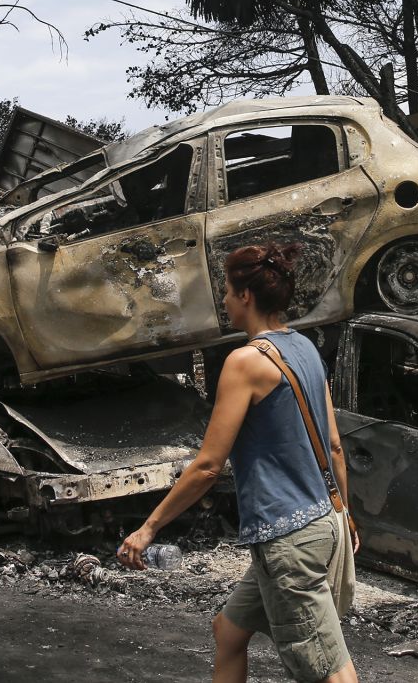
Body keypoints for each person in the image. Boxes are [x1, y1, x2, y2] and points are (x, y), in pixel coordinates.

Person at [117, 243, 359, 683]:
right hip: (321, 521)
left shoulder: (245, 363)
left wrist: (149, 527)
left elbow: (209, 466)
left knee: (329, 671)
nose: (225, 300)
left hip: (286, 540)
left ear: (246, 296)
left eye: (227, 291)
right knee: (228, 631)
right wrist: (346, 514)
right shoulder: (306, 348)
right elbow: (335, 446)